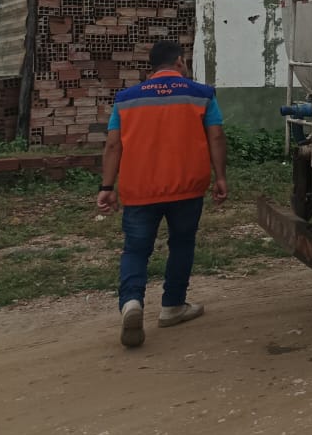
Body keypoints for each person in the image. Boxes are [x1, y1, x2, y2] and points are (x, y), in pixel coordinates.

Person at [96, 41, 228, 349]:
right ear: (179, 62)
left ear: (152, 67)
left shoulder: (126, 99)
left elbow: (113, 145)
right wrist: (220, 177)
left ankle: (131, 302)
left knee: (135, 250)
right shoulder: (202, 94)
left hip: (139, 189)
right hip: (187, 187)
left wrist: (106, 187)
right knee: (182, 243)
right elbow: (217, 136)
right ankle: (172, 306)